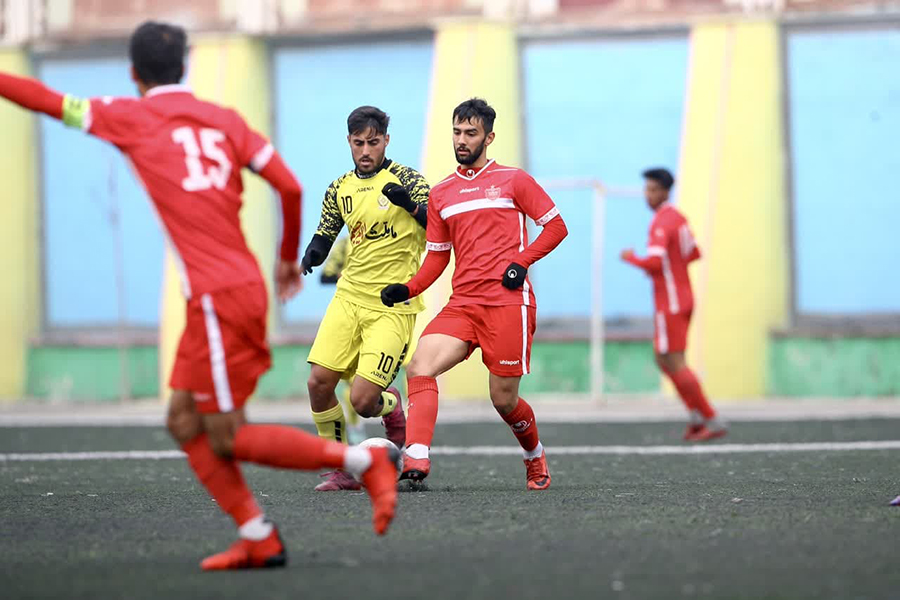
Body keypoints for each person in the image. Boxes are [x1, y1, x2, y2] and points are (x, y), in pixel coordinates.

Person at [0, 21, 399, 570]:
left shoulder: (129, 115)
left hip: (216, 296)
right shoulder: (223, 119)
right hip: (226, 291)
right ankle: (257, 534)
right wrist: (287, 258)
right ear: (185, 66)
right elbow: (290, 186)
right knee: (183, 421)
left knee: (227, 434)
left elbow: (46, 100)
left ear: (134, 73)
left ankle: (362, 462)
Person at [381, 98, 568, 490]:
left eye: (470, 133)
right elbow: (438, 256)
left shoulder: (514, 180)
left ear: (489, 137)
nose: (462, 140)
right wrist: (409, 288)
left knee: (503, 400)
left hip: (508, 304)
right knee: (419, 367)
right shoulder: (441, 193)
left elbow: (556, 227)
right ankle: (416, 459)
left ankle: (534, 455)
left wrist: (521, 262)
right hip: (463, 305)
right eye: (457, 132)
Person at [300, 106, 429, 491]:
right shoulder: (339, 188)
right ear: (349, 142)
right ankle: (340, 467)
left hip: (392, 306)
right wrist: (313, 253)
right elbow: (326, 231)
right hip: (349, 298)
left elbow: (439, 226)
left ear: (386, 140)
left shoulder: (409, 180)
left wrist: (409, 205)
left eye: (374, 142)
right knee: (318, 383)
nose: (366, 150)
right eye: (359, 143)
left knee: (362, 401)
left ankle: (392, 407)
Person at [620, 168, 726, 442]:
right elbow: (693, 253)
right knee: (662, 357)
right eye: (647, 189)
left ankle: (709, 418)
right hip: (683, 296)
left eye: (653, 190)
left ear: (666, 192)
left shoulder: (660, 222)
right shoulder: (679, 218)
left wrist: (631, 258)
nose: (648, 195)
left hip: (670, 301)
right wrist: (672, 268)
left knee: (674, 360)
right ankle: (696, 415)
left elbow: (655, 262)